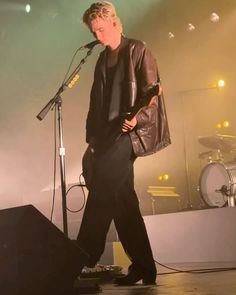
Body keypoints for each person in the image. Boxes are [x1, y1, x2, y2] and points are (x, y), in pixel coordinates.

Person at [77, 1, 170, 285]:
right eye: (94, 31)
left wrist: (137, 120)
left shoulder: (138, 50)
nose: (98, 36)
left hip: (129, 136)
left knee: (104, 190)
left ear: (115, 23)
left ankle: (82, 256)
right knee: (123, 201)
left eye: (101, 30)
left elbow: (151, 95)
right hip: (107, 136)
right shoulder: (102, 60)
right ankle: (144, 266)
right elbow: (95, 104)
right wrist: (92, 138)